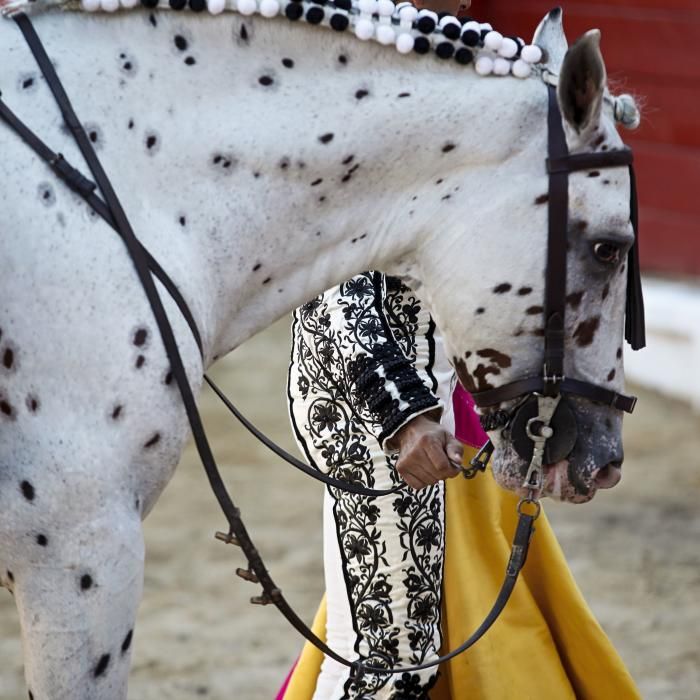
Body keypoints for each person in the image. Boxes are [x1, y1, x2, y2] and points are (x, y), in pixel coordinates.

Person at [279, 272, 641, 700]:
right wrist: (405, 419)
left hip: (432, 403)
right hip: (383, 416)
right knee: (386, 662)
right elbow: (334, 299)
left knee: (395, 648)